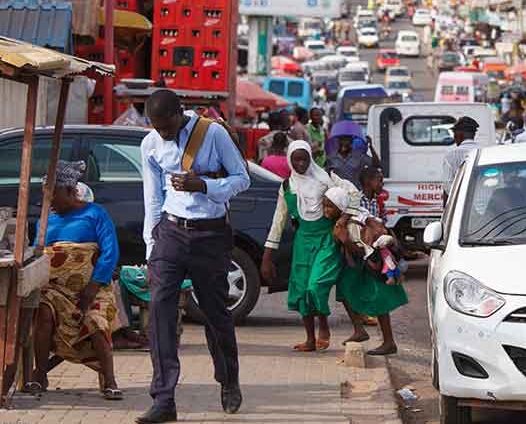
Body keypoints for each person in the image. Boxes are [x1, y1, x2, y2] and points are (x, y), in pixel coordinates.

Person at [138, 89, 250, 423]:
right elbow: (152, 196)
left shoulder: (212, 133)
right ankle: (163, 398)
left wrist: (204, 186)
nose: (163, 134)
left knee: (215, 313)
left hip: (210, 234)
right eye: (156, 127)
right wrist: (151, 245)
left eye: (167, 127)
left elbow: (242, 178)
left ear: (179, 113)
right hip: (170, 233)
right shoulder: (151, 144)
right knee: (159, 311)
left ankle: (229, 380)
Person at [26, 161, 121, 399]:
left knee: (97, 321)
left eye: (53, 195)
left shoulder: (95, 213)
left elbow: (111, 252)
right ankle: (40, 374)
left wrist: (92, 286)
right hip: (54, 289)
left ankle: (109, 380)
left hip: (92, 289)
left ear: (70, 191)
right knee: (44, 311)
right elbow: (38, 253)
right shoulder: (46, 219)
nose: (48, 201)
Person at [261, 141, 345, 352]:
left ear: (310, 158)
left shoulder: (326, 181)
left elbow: (347, 198)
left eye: (304, 159)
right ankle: (310, 338)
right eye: (296, 159)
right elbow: (278, 222)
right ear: (289, 160)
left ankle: (323, 325)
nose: (300, 163)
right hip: (302, 243)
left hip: (326, 240)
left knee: (315, 285)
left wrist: (344, 221)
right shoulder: (287, 187)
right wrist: (267, 257)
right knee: (300, 289)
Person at [323, 185, 408, 355]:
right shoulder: (351, 217)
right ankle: (359, 330)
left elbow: (363, 250)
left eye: (329, 206)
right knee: (344, 290)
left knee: (379, 301)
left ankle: (389, 342)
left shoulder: (352, 224)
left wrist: (344, 240)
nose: (325, 210)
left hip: (370, 268)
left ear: (341, 207)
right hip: (360, 267)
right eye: (324, 205)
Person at [325, 121, 381, 186]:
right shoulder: (331, 158)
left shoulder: (359, 155)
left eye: (348, 140)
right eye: (343, 140)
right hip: (338, 192)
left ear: (351, 142)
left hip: (355, 192)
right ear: (338, 141)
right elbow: (327, 176)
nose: (345, 142)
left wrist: (371, 147)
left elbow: (376, 164)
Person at [442, 117, 481, 196]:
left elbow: (447, 185)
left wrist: (461, 199)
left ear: (460, 134)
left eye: (454, 133)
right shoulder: (483, 152)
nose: (454, 137)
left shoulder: (451, 155)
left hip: (461, 205)